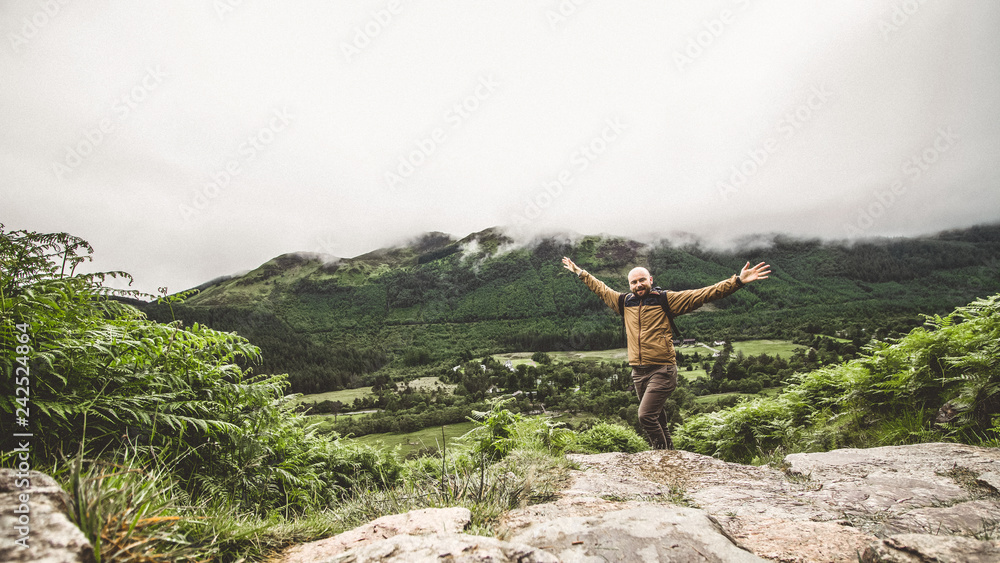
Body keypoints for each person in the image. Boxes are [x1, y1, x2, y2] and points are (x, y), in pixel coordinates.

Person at [561, 256, 771, 449]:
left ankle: (661, 456)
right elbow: (601, 289)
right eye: (633, 282)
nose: (638, 285)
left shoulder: (665, 299)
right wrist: (580, 272)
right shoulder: (624, 302)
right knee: (658, 417)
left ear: (650, 279)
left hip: (662, 369)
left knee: (645, 416)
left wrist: (738, 281)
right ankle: (670, 454)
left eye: (642, 280)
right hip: (638, 372)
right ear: (629, 285)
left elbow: (703, 294)